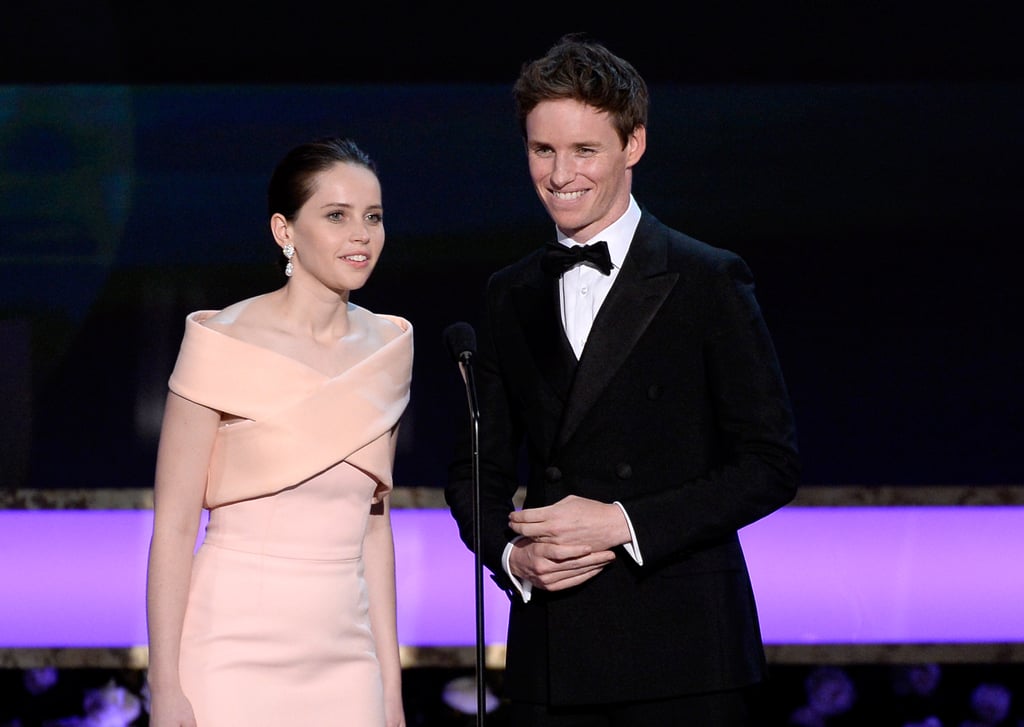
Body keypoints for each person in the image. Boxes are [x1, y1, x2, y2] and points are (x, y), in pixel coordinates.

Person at [445, 35, 800, 726]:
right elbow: (473, 470)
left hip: (686, 651)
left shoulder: (707, 278)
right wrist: (512, 555)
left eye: (584, 150)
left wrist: (624, 522)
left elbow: (769, 463)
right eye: (542, 150)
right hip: (553, 650)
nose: (559, 173)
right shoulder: (507, 293)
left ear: (633, 143)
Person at [145, 136, 411, 727]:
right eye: (336, 216)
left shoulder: (390, 347)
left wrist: (390, 689)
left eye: (373, 217)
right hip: (231, 651)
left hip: (347, 661)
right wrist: (165, 686)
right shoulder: (221, 342)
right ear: (284, 231)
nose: (361, 235)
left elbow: (374, 527)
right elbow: (175, 526)